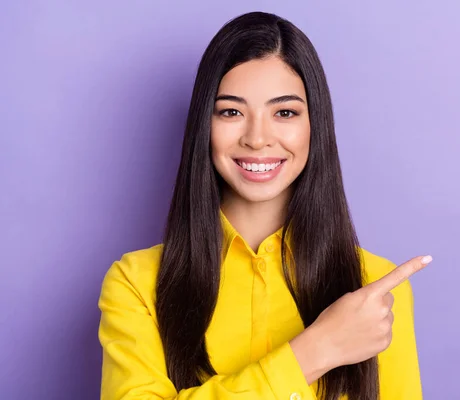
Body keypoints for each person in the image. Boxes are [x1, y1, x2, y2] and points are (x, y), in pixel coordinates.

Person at [98, 11, 432, 400]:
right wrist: (314, 352)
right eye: (231, 112)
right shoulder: (136, 284)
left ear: (315, 126)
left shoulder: (374, 290)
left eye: (285, 112)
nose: (257, 138)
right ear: (204, 125)